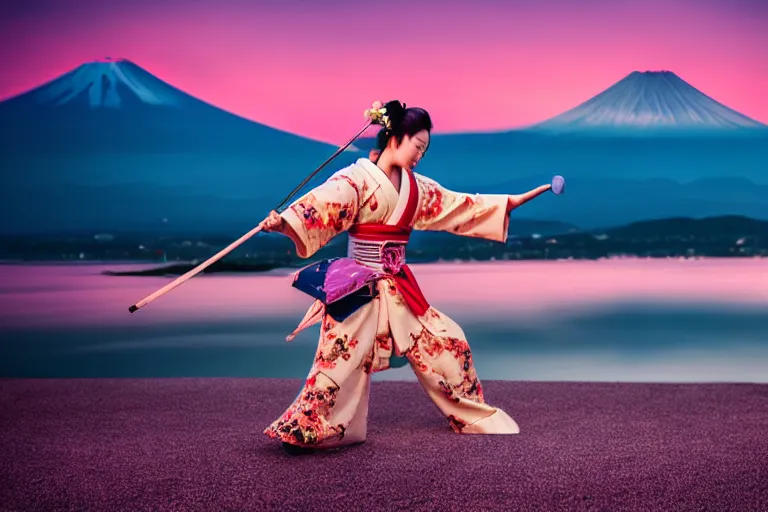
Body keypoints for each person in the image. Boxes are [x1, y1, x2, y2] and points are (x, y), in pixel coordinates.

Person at [260, 100, 564, 455]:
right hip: (357, 286)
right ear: (395, 138)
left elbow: (458, 205)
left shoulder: (417, 189)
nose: (420, 155)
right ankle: (309, 428)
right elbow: (322, 206)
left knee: (448, 342)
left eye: (424, 150)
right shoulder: (354, 180)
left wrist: (509, 202)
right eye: (417, 146)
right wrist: (283, 222)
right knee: (338, 360)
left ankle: (472, 415)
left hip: (399, 286)